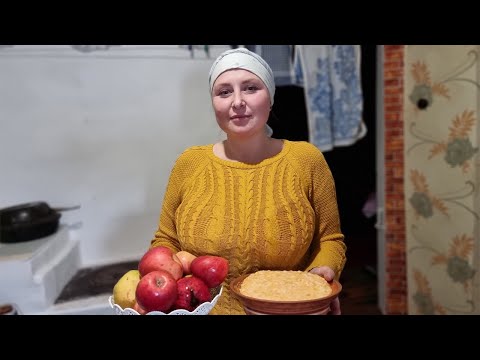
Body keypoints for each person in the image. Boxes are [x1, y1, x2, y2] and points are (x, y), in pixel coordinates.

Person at [149, 47, 346, 315]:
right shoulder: (189, 164)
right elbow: (166, 240)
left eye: (251, 88)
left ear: (271, 98)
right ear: (213, 102)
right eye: (224, 91)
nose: (237, 101)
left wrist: (322, 274)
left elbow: (331, 239)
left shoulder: (306, 160)